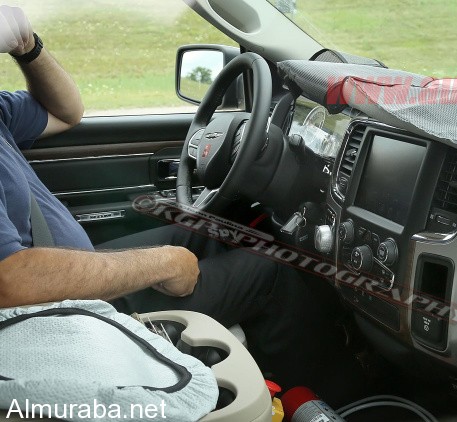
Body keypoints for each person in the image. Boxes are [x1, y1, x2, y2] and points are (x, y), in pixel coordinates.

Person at [0, 5, 364, 403]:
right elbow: (9, 281)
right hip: (54, 316)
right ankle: (342, 399)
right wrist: (162, 263)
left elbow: (67, 112)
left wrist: (28, 46)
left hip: (57, 276)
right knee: (271, 272)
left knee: (214, 231)